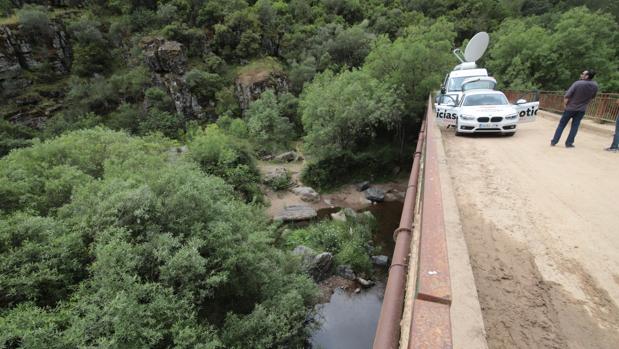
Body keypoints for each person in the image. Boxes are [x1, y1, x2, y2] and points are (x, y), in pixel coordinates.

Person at [551, 69, 598, 147]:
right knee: (575, 126)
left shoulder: (577, 83)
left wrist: (565, 105)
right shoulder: (595, 85)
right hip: (581, 109)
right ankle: (569, 143)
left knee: (561, 125)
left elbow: (567, 96)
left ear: (587, 76)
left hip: (570, 108)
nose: (581, 75)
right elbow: (593, 97)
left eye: (583, 74)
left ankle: (554, 141)